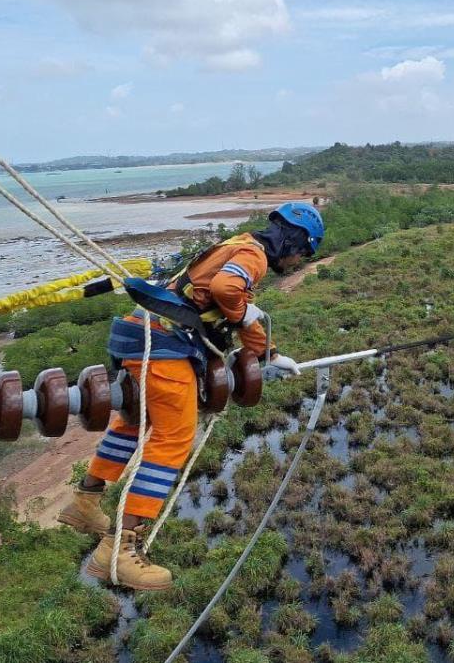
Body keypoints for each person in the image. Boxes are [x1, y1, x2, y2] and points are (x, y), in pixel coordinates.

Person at [57, 202, 324, 590]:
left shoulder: (237, 242)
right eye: (304, 251)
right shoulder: (255, 255)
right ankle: (119, 550)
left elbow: (226, 303)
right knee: (174, 439)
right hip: (166, 346)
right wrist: (247, 313)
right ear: (295, 240)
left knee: (135, 422)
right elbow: (226, 290)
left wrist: (271, 353)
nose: (300, 260)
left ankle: (85, 501)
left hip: (138, 333)